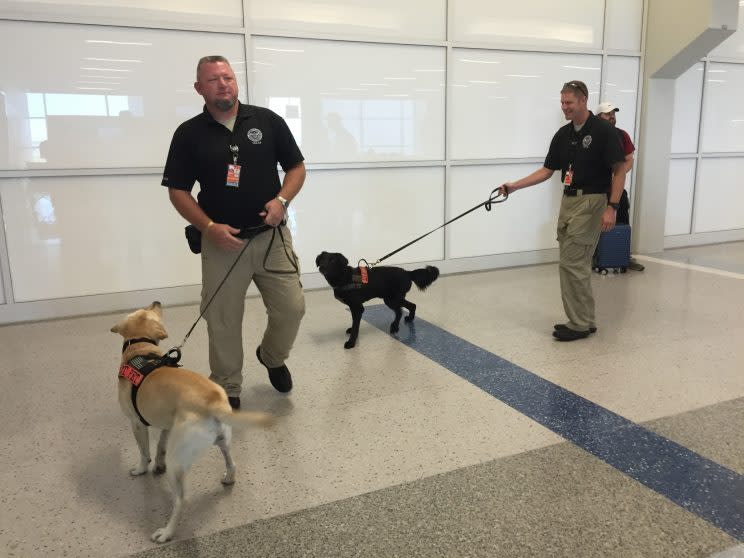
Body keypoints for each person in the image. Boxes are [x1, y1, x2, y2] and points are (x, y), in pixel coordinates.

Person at [162, 55, 306, 408]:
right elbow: (177, 190)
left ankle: (272, 357)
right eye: (213, 80)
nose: (223, 84)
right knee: (222, 319)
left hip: (271, 238)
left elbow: (296, 168)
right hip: (222, 242)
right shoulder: (188, 134)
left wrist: (282, 201)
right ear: (199, 88)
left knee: (292, 308)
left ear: (236, 81)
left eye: (227, 77)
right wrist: (208, 227)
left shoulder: (267, 122)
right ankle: (228, 385)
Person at [498, 80, 626, 342]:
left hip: (592, 201)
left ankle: (579, 324)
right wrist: (514, 186)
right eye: (562, 102)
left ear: (583, 101)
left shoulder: (603, 131)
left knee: (572, 262)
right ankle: (585, 320)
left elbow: (620, 169)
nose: (565, 107)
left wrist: (612, 207)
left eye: (569, 102)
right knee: (573, 263)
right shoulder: (563, 135)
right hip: (569, 200)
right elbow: (547, 171)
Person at [596, 101, 644, 271]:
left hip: (615, 188)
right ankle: (593, 256)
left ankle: (623, 255)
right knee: (592, 223)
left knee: (622, 218)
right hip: (594, 190)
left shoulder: (621, 135)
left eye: (613, 114)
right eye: (608, 114)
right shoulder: (593, 135)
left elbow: (629, 158)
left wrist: (618, 175)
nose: (611, 117)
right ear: (599, 116)